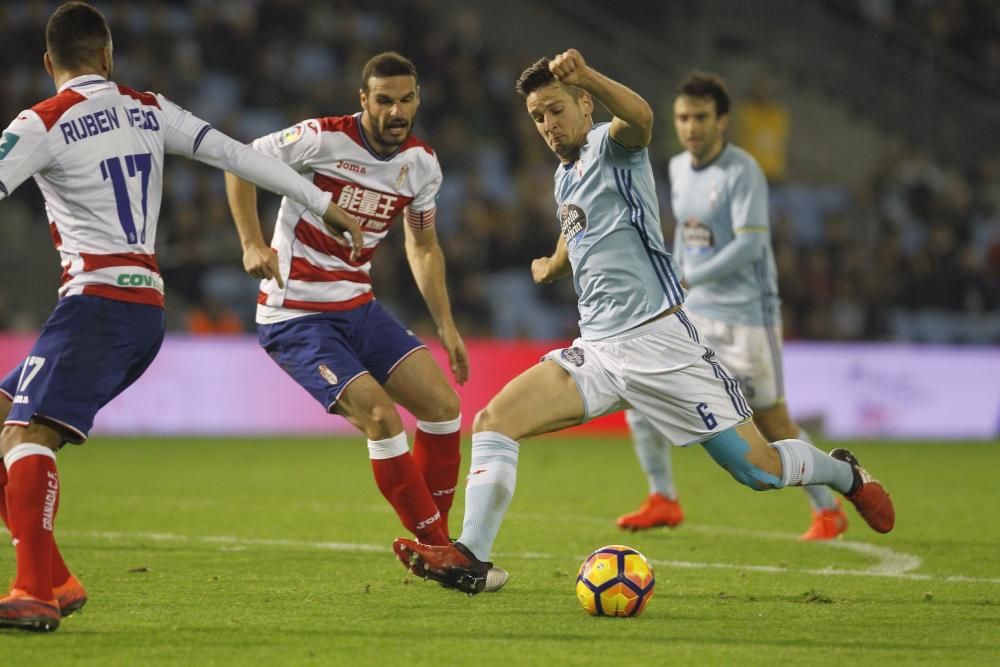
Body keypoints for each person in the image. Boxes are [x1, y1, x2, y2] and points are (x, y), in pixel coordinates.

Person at [392, 49, 894, 594]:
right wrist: (552, 265)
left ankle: (845, 474)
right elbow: (575, 227)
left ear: (585, 105)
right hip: (600, 352)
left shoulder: (612, 143)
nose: (547, 125)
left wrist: (586, 74)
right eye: (538, 117)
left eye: (556, 109)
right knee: (493, 421)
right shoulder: (565, 177)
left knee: (759, 470)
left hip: (663, 343)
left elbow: (643, 119)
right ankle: (472, 559)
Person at [0, 2, 363, 632]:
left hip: (96, 300)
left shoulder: (41, 122)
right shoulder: (149, 108)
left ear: (47, 63)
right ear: (108, 57)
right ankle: (56, 576)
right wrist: (319, 201)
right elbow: (237, 154)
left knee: (25, 437)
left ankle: (33, 590)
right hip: (142, 308)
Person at [223, 52, 508, 590]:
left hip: (359, 306)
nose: (396, 111)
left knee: (445, 407)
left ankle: (436, 547)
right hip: (296, 313)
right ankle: (445, 553)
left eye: (406, 99)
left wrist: (446, 325)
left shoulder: (422, 165)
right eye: (384, 100)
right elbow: (238, 162)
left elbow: (423, 245)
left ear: (418, 99)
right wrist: (251, 242)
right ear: (363, 100)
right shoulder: (321, 140)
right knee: (381, 417)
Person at [616, 72, 849, 541]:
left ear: (723, 120)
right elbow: (685, 231)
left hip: (748, 318)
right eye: (682, 117)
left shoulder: (743, 171)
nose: (690, 127)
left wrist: (688, 275)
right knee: (639, 389)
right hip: (697, 313)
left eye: (701, 117)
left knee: (772, 421)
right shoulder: (679, 169)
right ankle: (663, 496)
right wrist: (672, 277)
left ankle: (829, 509)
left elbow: (750, 245)